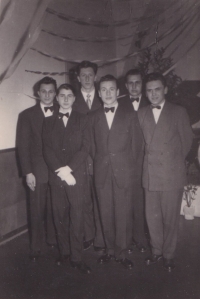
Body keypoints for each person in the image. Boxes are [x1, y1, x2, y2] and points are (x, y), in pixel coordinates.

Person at [138, 72, 193, 272]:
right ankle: (156, 251)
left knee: (170, 217)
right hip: (150, 174)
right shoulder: (141, 113)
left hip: (171, 173)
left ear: (165, 90)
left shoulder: (178, 112)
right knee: (152, 217)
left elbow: (187, 142)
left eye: (157, 89)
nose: (153, 94)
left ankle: (168, 254)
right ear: (146, 93)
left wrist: (171, 161)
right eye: (149, 90)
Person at [89, 75, 144, 269]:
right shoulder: (93, 117)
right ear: (98, 93)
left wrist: (131, 171)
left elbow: (137, 147)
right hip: (102, 172)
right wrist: (99, 163)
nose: (108, 93)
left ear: (118, 92)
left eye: (111, 89)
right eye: (103, 89)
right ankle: (109, 250)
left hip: (124, 173)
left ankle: (122, 252)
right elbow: (91, 146)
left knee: (123, 214)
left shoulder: (130, 116)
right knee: (105, 213)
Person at [42, 83, 91, 274]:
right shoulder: (48, 121)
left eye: (69, 95)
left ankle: (77, 257)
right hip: (57, 178)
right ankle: (64, 252)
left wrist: (69, 169)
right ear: (56, 98)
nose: (65, 98)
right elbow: (47, 149)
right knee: (59, 216)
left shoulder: (82, 119)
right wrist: (60, 171)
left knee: (77, 217)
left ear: (74, 98)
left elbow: (85, 148)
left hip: (76, 176)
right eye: (62, 95)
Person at [17, 76, 57, 261]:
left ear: (55, 93)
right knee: (36, 210)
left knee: (56, 208)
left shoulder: (63, 112)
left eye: (51, 91)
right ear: (37, 93)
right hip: (37, 171)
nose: (47, 95)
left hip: (59, 171)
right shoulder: (26, 115)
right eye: (44, 91)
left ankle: (54, 242)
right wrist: (28, 173)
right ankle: (36, 248)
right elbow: (23, 147)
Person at [73, 60, 105, 252]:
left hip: (101, 157)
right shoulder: (70, 99)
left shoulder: (105, 98)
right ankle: (89, 235)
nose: (86, 78)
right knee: (84, 199)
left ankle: (102, 236)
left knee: (101, 198)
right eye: (83, 75)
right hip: (80, 159)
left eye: (90, 75)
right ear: (78, 78)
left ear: (95, 77)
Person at [118, 69, 149, 253]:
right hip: (126, 163)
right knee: (127, 203)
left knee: (143, 202)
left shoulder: (152, 102)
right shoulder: (119, 105)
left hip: (147, 162)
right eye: (131, 83)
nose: (134, 86)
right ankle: (127, 239)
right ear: (126, 85)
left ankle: (141, 238)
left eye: (138, 82)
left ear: (142, 83)